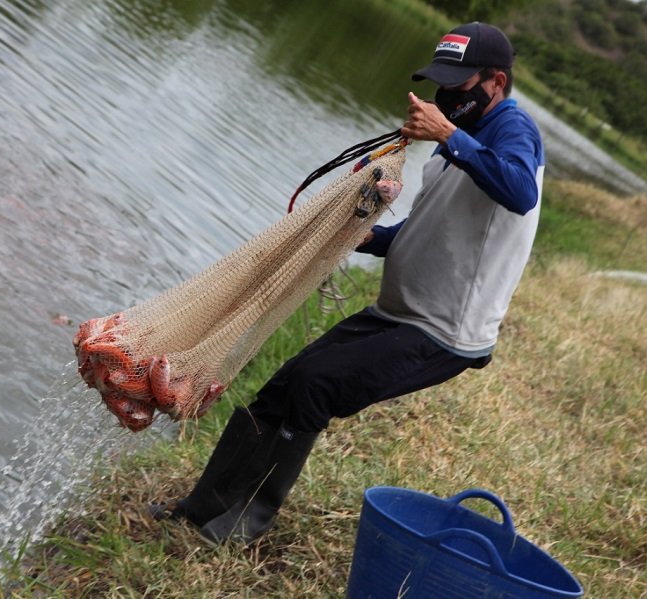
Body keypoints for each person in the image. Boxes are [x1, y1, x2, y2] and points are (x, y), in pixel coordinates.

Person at [151, 21, 545, 545]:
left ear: (495, 82)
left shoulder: (514, 132)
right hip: (397, 313)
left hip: (445, 332)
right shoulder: (461, 146)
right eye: (440, 83)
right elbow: (426, 233)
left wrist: (449, 135)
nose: (445, 95)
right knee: (283, 385)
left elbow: (520, 192)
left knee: (317, 386)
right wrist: (364, 236)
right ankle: (201, 508)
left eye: (459, 84)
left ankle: (246, 524)